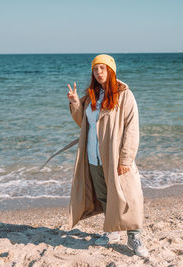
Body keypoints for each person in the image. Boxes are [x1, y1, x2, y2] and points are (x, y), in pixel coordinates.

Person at [66, 54, 148, 257]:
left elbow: (132, 128)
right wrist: (76, 103)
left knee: (128, 195)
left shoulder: (124, 94)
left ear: (111, 70)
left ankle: (134, 236)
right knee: (104, 196)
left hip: (115, 156)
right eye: (96, 69)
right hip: (93, 155)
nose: (99, 72)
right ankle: (112, 233)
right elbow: (84, 123)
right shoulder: (91, 95)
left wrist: (126, 159)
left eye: (103, 68)